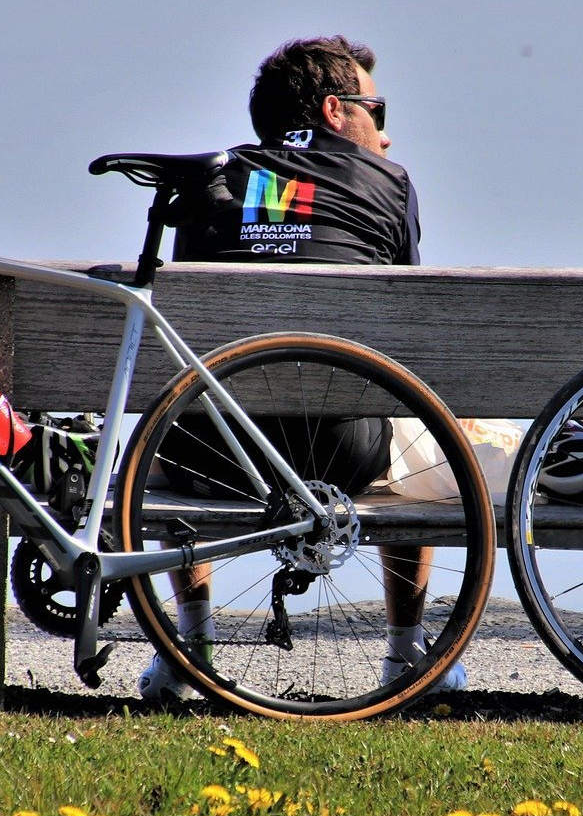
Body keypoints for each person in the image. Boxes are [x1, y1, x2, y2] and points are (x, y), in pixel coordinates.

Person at [138, 35, 466, 701]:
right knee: (414, 427)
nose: (387, 132)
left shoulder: (210, 181)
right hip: (342, 452)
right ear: (334, 109)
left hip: (211, 452)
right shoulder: (390, 182)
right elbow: (399, 328)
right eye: (377, 108)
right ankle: (406, 656)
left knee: (175, 410)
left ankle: (188, 648)